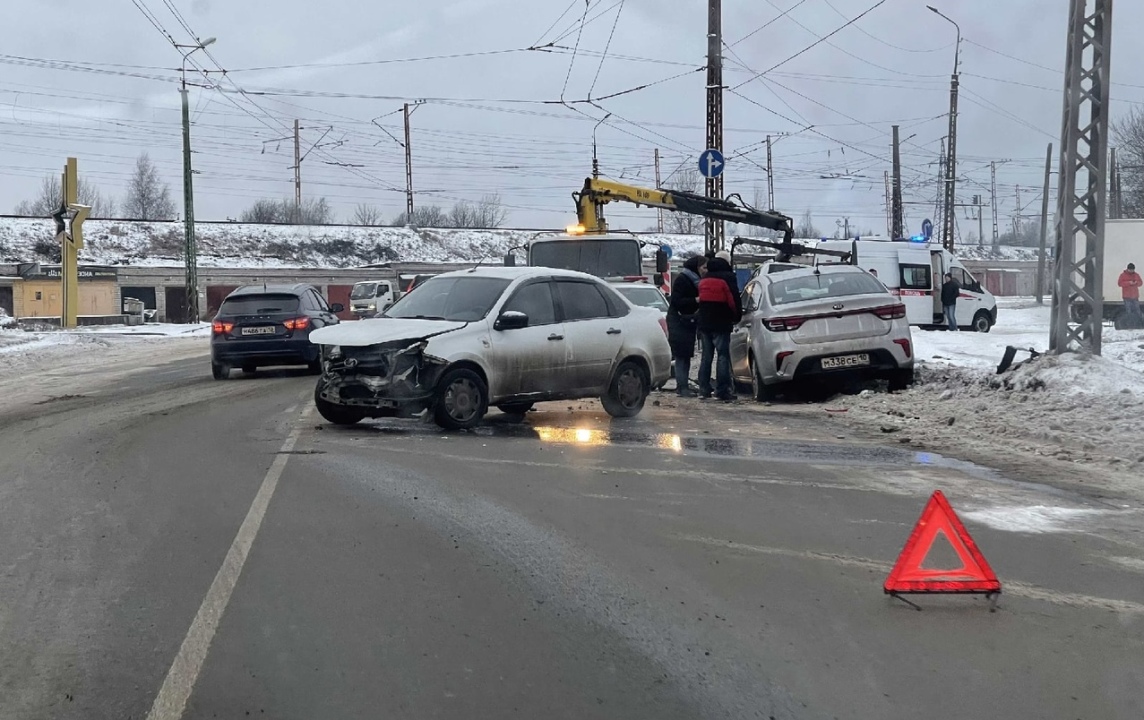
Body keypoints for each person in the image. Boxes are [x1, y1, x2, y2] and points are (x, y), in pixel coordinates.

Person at [697, 250, 742, 402]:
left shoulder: (704, 278)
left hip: (704, 323)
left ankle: (703, 389)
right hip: (721, 322)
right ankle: (722, 390)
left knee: (706, 357)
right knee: (723, 356)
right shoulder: (729, 277)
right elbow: (733, 300)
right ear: (727, 262)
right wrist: (736, 317)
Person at [666, 255, 706, 397]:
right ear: (696, 267)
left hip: (687, 321)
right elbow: (677, 301)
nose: (704, 270)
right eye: (703, 267)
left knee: (686, 355)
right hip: (679, 322)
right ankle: (682, 387)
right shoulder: (684, 280)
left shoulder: (693, 280)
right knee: (682, 356)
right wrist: (695, 300)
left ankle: (682, 386)